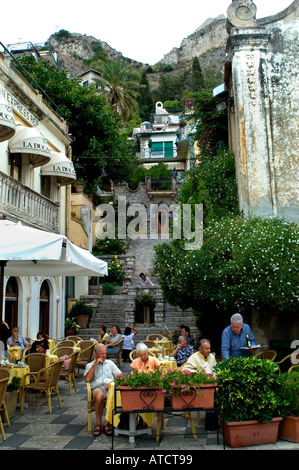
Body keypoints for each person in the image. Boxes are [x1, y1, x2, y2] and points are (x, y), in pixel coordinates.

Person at [84, 343, 122, 437]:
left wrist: (112, 383)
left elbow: (120, 376)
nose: (104, 356)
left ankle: (106, 423)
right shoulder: (89, 365)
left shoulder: (110, 363)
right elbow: (87, 379)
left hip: (109, 387)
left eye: (105, 353)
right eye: (102, 354)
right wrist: (95, 364)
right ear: (95, 354)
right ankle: (98, 424)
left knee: (114, 395)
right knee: (99, 396)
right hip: (97, 388)